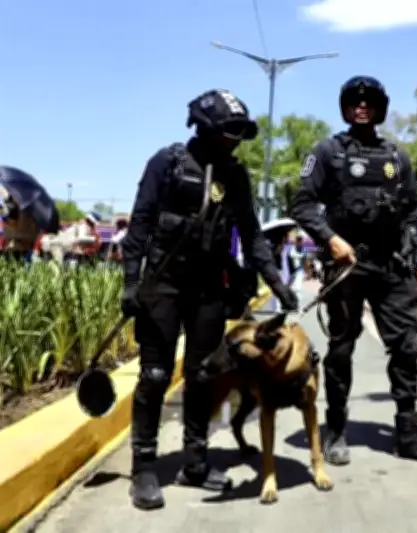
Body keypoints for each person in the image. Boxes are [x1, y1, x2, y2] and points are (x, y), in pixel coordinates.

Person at [121, 88, 299, 511]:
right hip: (161, 288)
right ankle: (144, 468)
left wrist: (275, 281)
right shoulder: (167, 163)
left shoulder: (234, 175)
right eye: (227, 132)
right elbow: (140, 226)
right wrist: (131, 284)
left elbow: (253, 235)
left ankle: (196, 462)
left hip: (207, 292)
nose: (234, 140)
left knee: (203, 376)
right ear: (203, 127)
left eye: (239, 134)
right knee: (156, 377)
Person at [290, 75, 417, 467]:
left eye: (370, 102)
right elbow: (303, 203)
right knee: (341, 349)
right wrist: (330, 239)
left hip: (391, 266)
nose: (362, 107)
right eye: (355, 102)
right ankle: (336, 430)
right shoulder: (328, 152)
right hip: (347, 266)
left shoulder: (397, 156)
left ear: (381, 108)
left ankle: (408, 435)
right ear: (345, 107)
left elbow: (412, 210)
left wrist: (413, 253)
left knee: (407, 347)